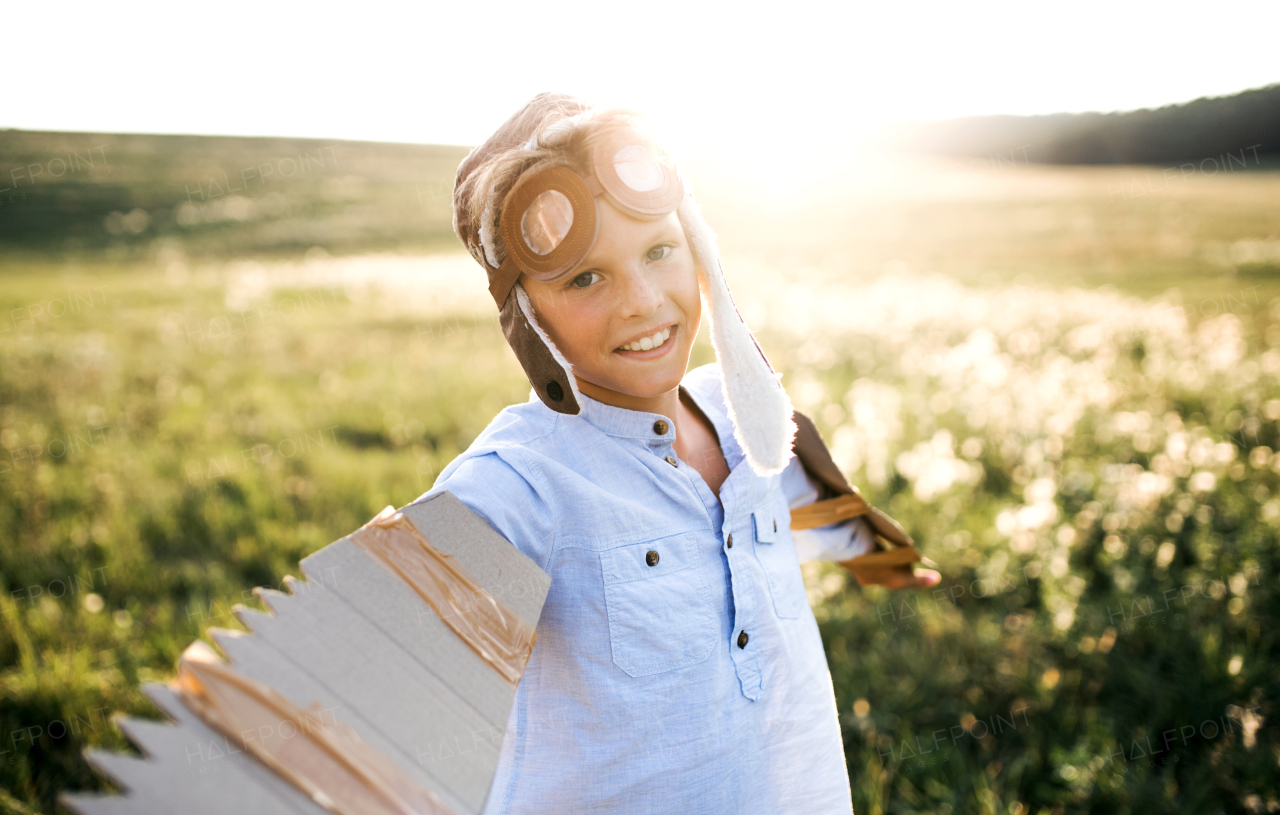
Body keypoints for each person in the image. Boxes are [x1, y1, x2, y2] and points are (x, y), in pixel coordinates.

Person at [417, 93, 940, 815]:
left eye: (659, 251)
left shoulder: (739, 413)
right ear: (527, 316)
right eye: (585, 278)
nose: (642, 300)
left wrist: (877, 555)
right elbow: (379, 648)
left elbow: (801, 477)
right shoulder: (523, 484)